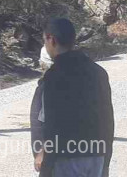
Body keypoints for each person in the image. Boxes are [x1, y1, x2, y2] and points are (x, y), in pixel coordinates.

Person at [40, 18, 114, 177]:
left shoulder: (54, 76)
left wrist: (46, 167)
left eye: (45, 40)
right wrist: (106, 160)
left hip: (67, 157)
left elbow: (52, 125)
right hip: (96, 156)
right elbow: (108, 118)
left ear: (51, 40)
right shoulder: (98, 72)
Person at [31, 46, 54, 177]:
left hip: (52, 156)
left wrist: (42, 152)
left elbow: (52, 122)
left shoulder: (51, 84)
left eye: (43, 64)